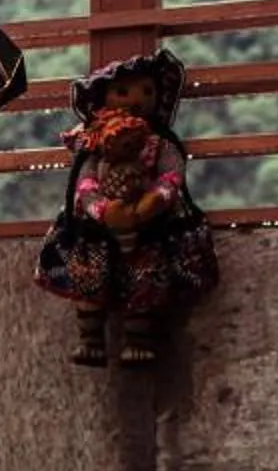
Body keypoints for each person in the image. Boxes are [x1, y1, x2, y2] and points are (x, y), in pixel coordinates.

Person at [39, 49, 207, 369]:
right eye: (123, 91)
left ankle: (138, 340)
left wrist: (154, 199)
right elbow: (84, 183)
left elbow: (171, 175)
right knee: (89, 276)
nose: (136, 98)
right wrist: (102, 209)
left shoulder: (161, 144)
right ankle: (91, 339)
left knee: (146, 277)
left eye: (147, 91)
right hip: (98, 229)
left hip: (148, 228)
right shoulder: (94, 144)